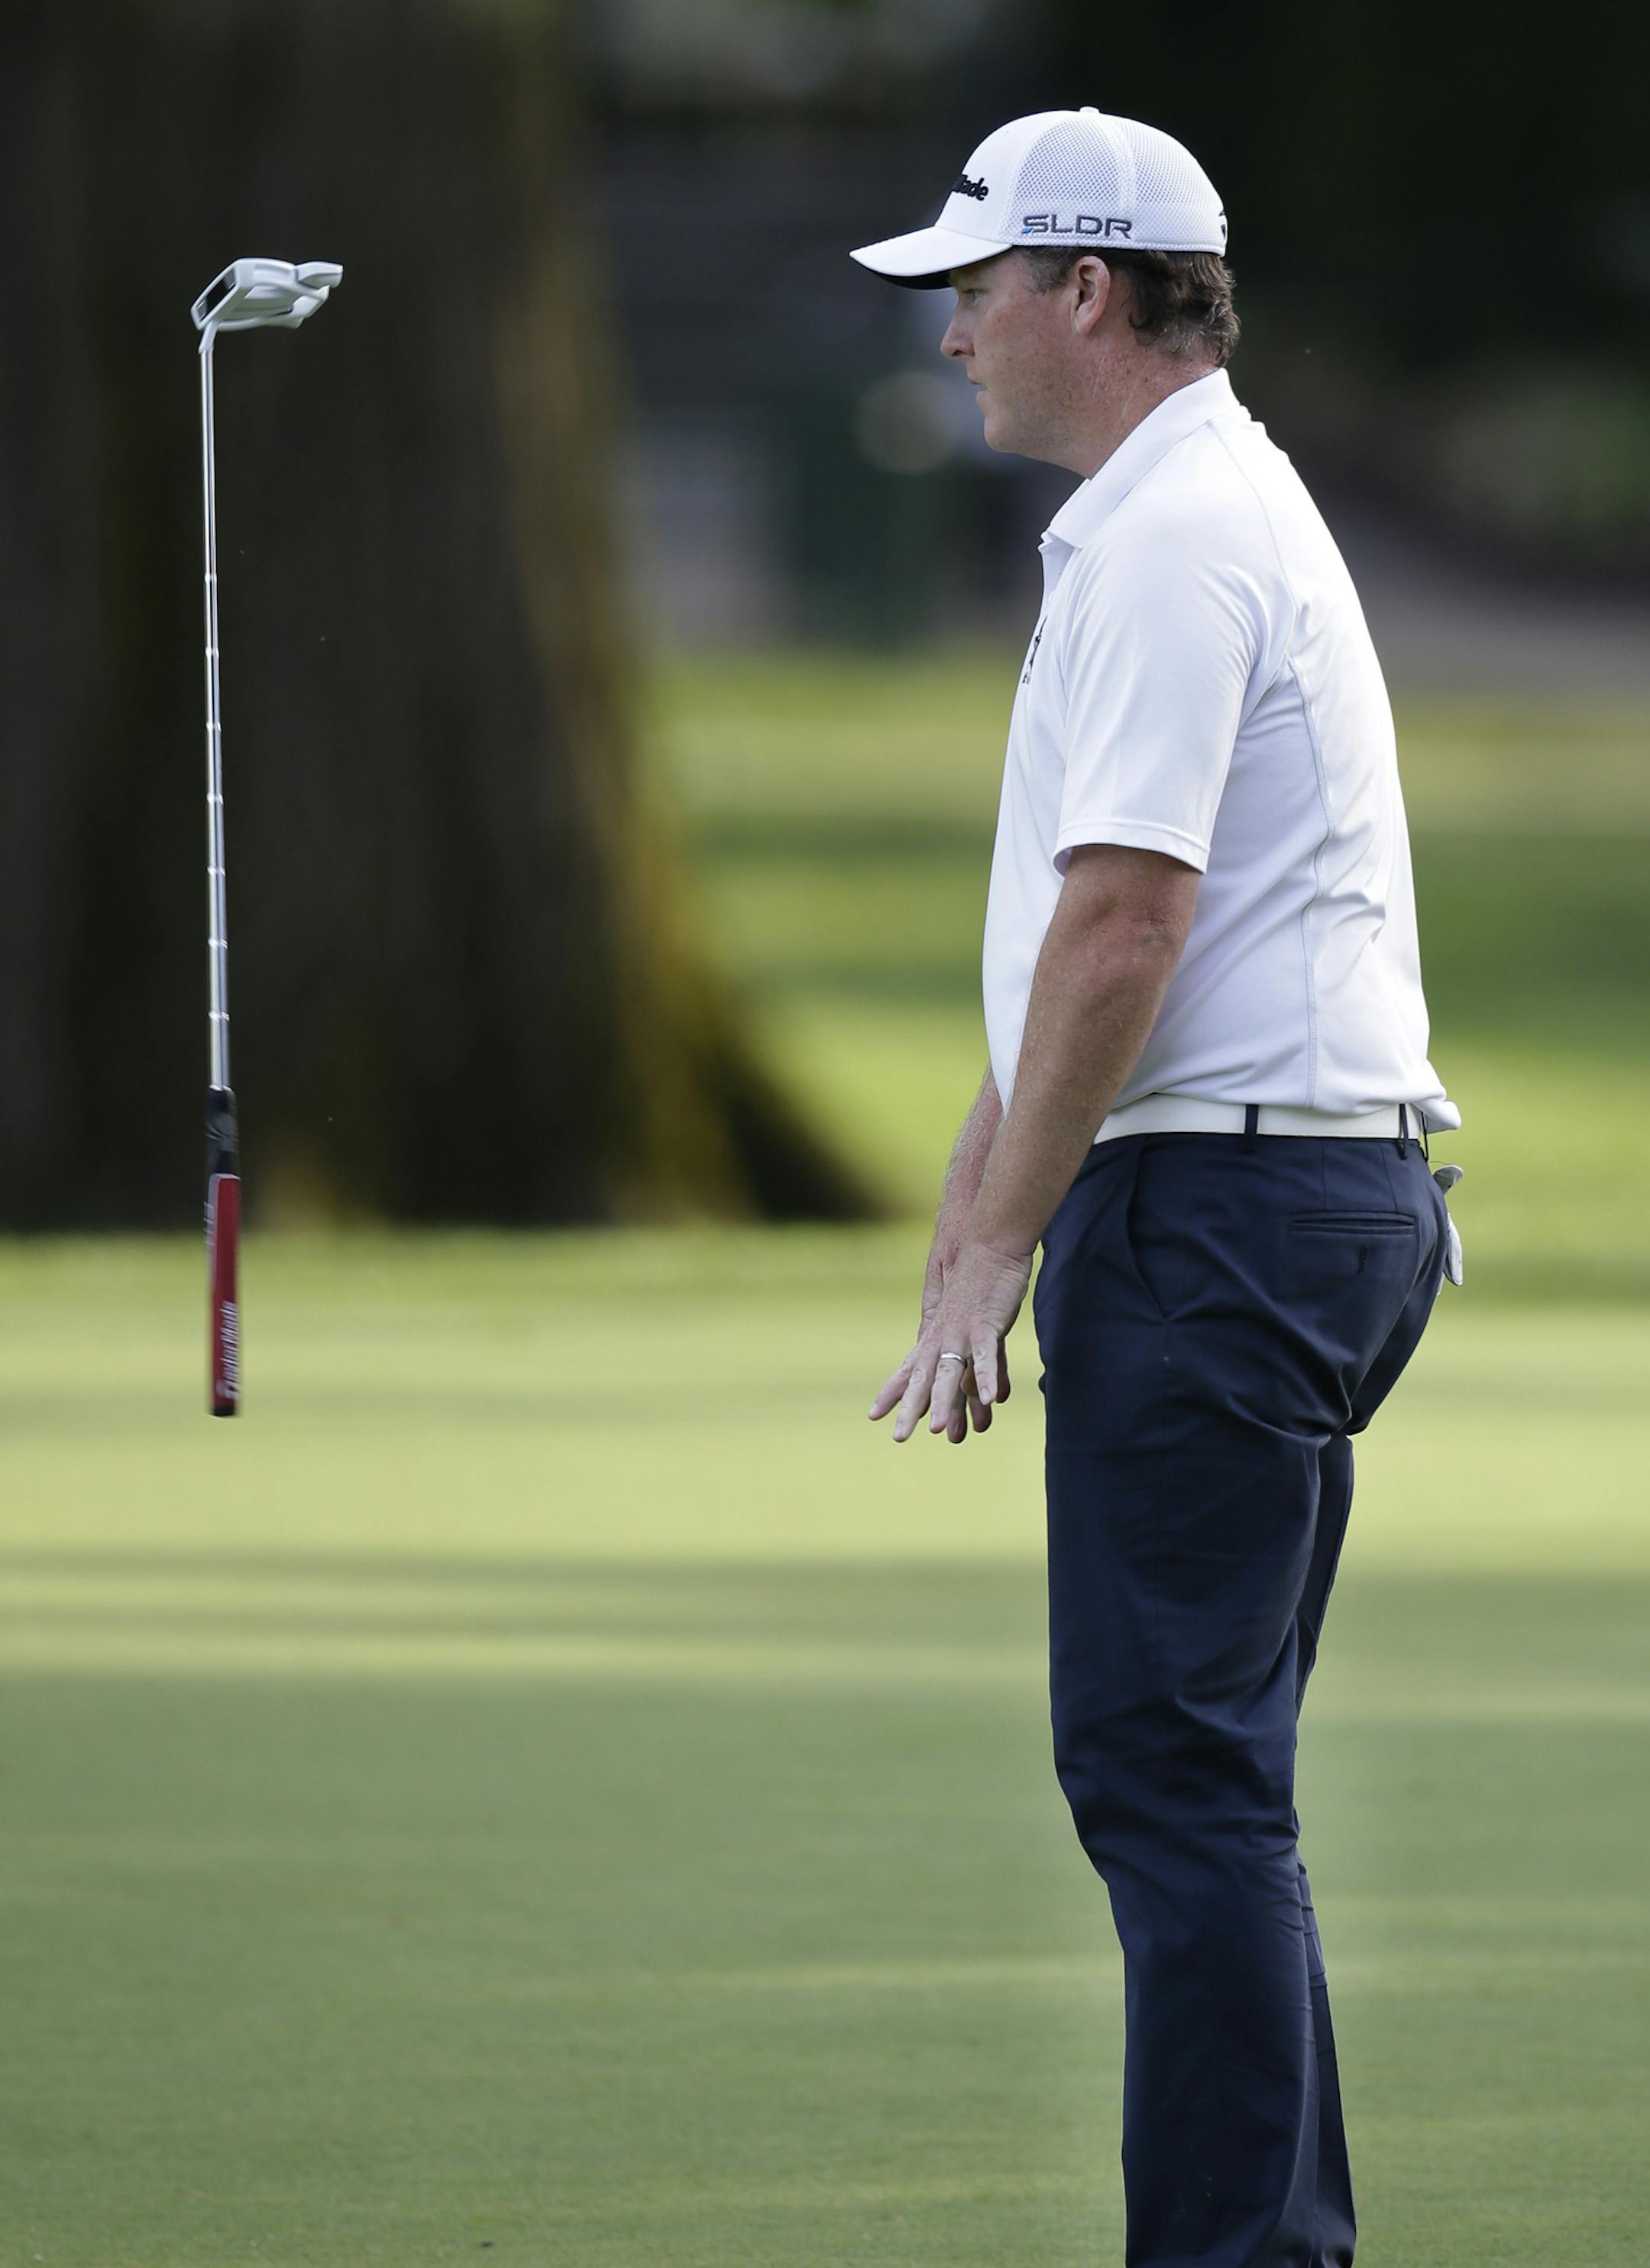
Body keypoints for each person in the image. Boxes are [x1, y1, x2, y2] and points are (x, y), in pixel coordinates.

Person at [853, 107, 1463, 2268]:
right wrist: (977, 1193)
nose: (951, 336)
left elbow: (1130, 923)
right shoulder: (1172, 513)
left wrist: (1001, 1242)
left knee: (1173, 1774)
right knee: (1199, 1776)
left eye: (975, 286)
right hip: (1259, 1200)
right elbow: (1073, 946)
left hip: (1231, 1221)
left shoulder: (1182, 531)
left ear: (1084, 291)